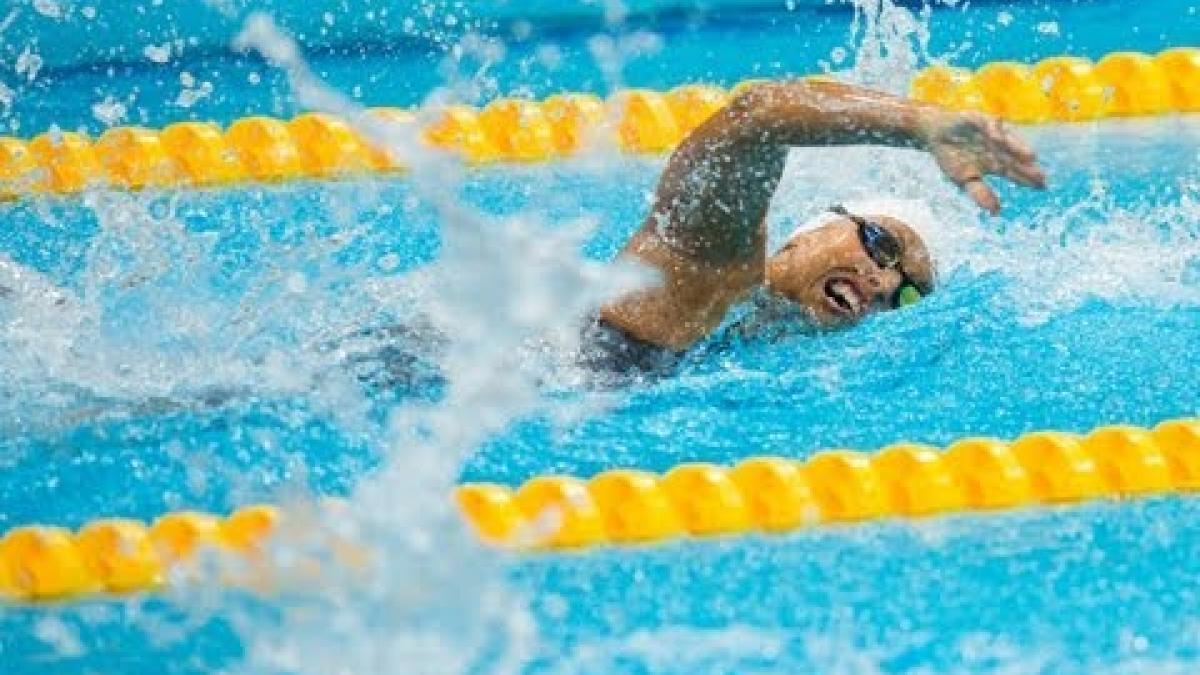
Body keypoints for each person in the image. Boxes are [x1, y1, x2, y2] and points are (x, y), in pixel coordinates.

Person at [580, 78, 1047, 374]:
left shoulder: (771, 352)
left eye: (906, 294)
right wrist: (922, 124)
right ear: (814, 230)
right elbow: (757, 114)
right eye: (882, 245)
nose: (883, 282)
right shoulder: (714, 263)